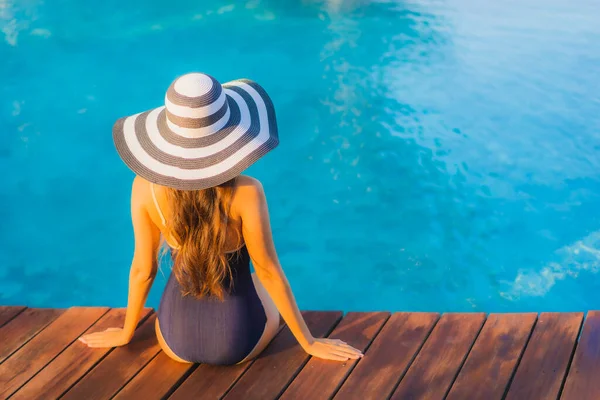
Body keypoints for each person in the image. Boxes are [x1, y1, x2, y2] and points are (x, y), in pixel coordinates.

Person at [79, 73, 363, 365]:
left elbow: (143, 270)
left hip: (174, 341)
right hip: (238, 342)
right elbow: (268, 271)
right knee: (259, 282)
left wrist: (126, 333)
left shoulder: (143, 186)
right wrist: (310, 342)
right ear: (228, 133)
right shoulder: (247, 192)